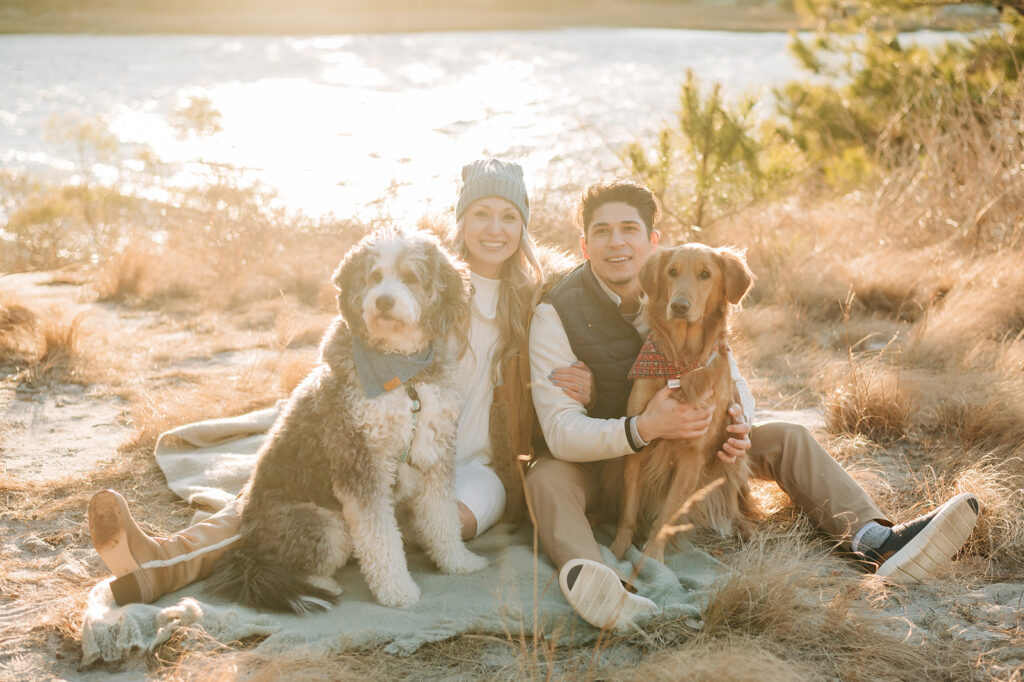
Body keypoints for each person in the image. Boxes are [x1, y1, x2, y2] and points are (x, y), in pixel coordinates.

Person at [88, 158, 583, 605]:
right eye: (481, 213)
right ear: (462, 219)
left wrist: (589, 384)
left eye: (508, 217)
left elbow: (591, 322)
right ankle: (163, 561)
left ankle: (357, 543)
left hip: (469, 456)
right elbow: (350, 332)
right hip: (382, 411)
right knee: (276, 494)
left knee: (410, 509)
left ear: (523, 226)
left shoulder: (539, 293)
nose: (494, 229)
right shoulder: (420, 266)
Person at [525, 179, 980, 631]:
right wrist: (642, 427)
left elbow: (734, 380)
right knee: (544, 476)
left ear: (651, 241)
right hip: (607, 462)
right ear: (585, 245)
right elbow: (561, 432)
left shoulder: (679, 281)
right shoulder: (556, 314)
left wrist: (738, 419)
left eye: (629, 229)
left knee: (788, 436)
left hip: (692, 450)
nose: (617, 242)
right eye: (602, 231)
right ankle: (597, 583)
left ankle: (877, 540)